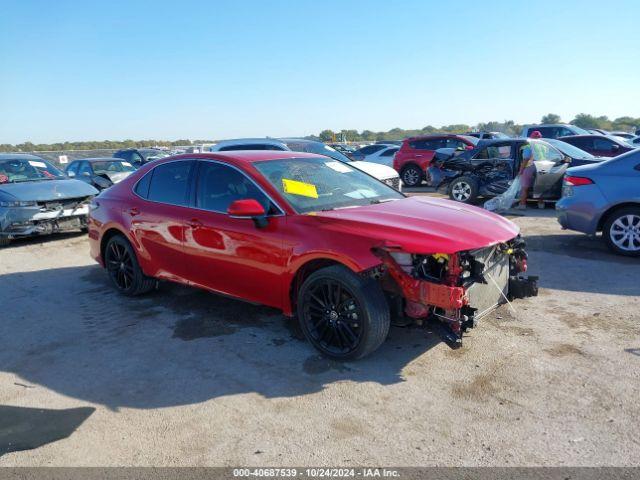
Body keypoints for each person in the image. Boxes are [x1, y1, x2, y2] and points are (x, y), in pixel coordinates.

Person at [517, 145, 536, 210]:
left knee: (524, 188)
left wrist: (521, 170)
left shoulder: (528, 146)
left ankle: (522, 205)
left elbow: (526, 159)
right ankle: (541, 204)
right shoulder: (543, 146)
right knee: (539, 186)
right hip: (540, 167)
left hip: (529, 167)